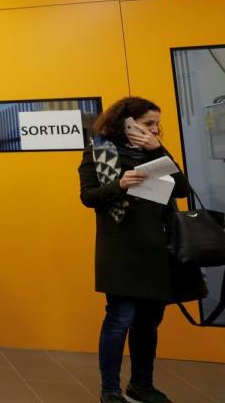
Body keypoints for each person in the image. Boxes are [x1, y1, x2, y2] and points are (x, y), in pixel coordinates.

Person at [78, 96, 203, 403]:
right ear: (127, 122)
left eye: (157, 124)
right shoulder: (99, 150)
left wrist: (157, 150)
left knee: (149, 322)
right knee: (119, 319)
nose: (155, 130)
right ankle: (110, 390)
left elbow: (183, 190)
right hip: (121, 248)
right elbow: (89, 196)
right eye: (148, 123)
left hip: (157, 248)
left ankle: (141, 386)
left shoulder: (156, 152)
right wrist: (118, 186)